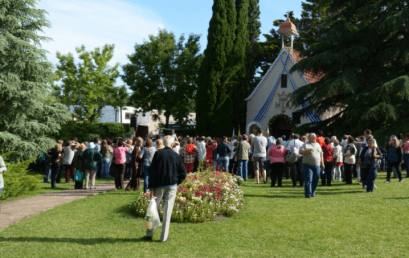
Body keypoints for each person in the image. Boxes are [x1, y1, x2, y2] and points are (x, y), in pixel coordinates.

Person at [143, 135, 187, 242]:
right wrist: (177, 182)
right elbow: (183, 173)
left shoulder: (158, 153)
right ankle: (163, 237)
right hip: (171, 185)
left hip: (159, 185)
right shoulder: (176, 156)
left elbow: (152, 171)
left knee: (153, 209)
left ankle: (149, 233)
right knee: (167, 212)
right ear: (172, 145)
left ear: (163, 143)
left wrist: (151, 188)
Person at [299, 133, 324, 198]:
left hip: (317, 165)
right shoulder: (305, 144)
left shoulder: (318, 144)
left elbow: (321, 154)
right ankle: (308, 194)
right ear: (309, 138)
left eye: (315, 137)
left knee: (316, 179)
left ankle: (312, 191)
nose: (315, 138)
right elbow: (300, 152)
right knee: (308, 180)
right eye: (313, 137)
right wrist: (308, 150)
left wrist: (322, 163)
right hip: (307, 164)